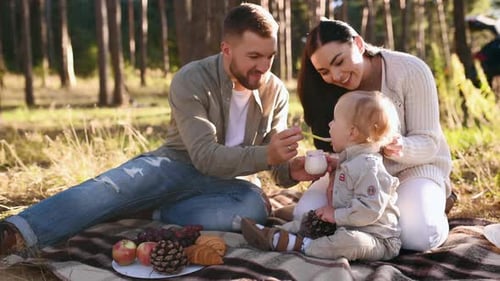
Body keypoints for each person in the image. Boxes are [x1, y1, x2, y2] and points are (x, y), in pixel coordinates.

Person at [0, 3, 324, 257]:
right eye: (253, 56)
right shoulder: (192, 79)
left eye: (270, 56)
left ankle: (153, 210)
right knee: (113, 186)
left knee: (253, 208)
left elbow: (275, 167)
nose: (264, 67)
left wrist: (290, 169)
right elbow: (203, 156)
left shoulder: (275, 91)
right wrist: (266, 154)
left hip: (232, 186)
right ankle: (18, 232)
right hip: (174, 166)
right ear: (226, 49)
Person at [293, 19, 453, 252]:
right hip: (354, 173)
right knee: (305, 219)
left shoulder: (410, 71)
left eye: (339, 61)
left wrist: (400, 146)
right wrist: (334, 167)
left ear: (358, 44)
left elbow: (429, 143)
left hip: (411, 170)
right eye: (324, 71)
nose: (336, 76)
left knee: (418, 236)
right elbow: (335, 146)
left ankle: (437, 201)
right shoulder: (327, 89)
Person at [241, 90, 402, 261]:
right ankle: (276, 233)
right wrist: (336, 166)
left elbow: (370, 211)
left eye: (334, 121)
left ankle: (300, 244)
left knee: (347, 242)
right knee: (312, 218)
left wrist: (335, 215)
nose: (330, 125)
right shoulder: (350, 161)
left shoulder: (371, 168)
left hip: (376, 238)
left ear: (352, 132)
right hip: (345, 225)